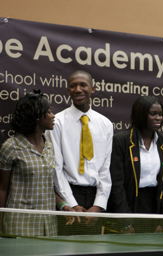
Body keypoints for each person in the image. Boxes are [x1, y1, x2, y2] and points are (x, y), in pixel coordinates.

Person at [50, 70, 113, 215]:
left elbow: (105, 168)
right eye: (73, 86)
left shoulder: (105, 124)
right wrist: (72, 204)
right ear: (68, 91)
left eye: (83, 85)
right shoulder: (57, 122)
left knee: (95, 238)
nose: (78, 90)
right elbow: (56, 168)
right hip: (68, 195)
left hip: (95, 197)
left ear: (93, 89)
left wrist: (99, 205)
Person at [0, 90, 57, 236]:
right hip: (20, 225)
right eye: (48, 112)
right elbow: (2, 189)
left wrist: (64, 205)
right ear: (37, 117)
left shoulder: (49, 145)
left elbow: (46, 187)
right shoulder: (11, 146)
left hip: (48, 225)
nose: (53, 115)